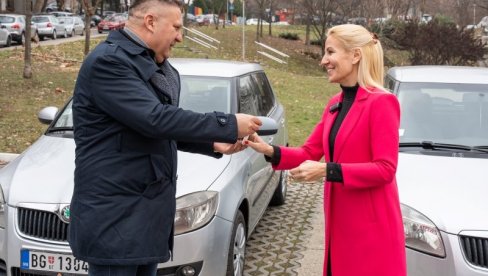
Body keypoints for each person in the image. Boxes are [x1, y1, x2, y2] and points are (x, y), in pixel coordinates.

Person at [68, 0, 262, 275]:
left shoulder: (153, 64)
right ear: (150, 22)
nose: (180, 37)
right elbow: (155, 119)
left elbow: (156, 127)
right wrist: (227, 124)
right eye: (176, 27)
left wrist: (211, 142)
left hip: (143, 220)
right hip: (115, 223)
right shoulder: (109, 62)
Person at [246, 24, 406, 276]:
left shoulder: (382, 103)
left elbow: (385, 169)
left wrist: (327, 171)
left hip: (371, 234)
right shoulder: (335, 104)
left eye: (330, 52)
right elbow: (309, 151)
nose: (323, 61)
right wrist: (268, 150)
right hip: (339, 228)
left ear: (355, 56)